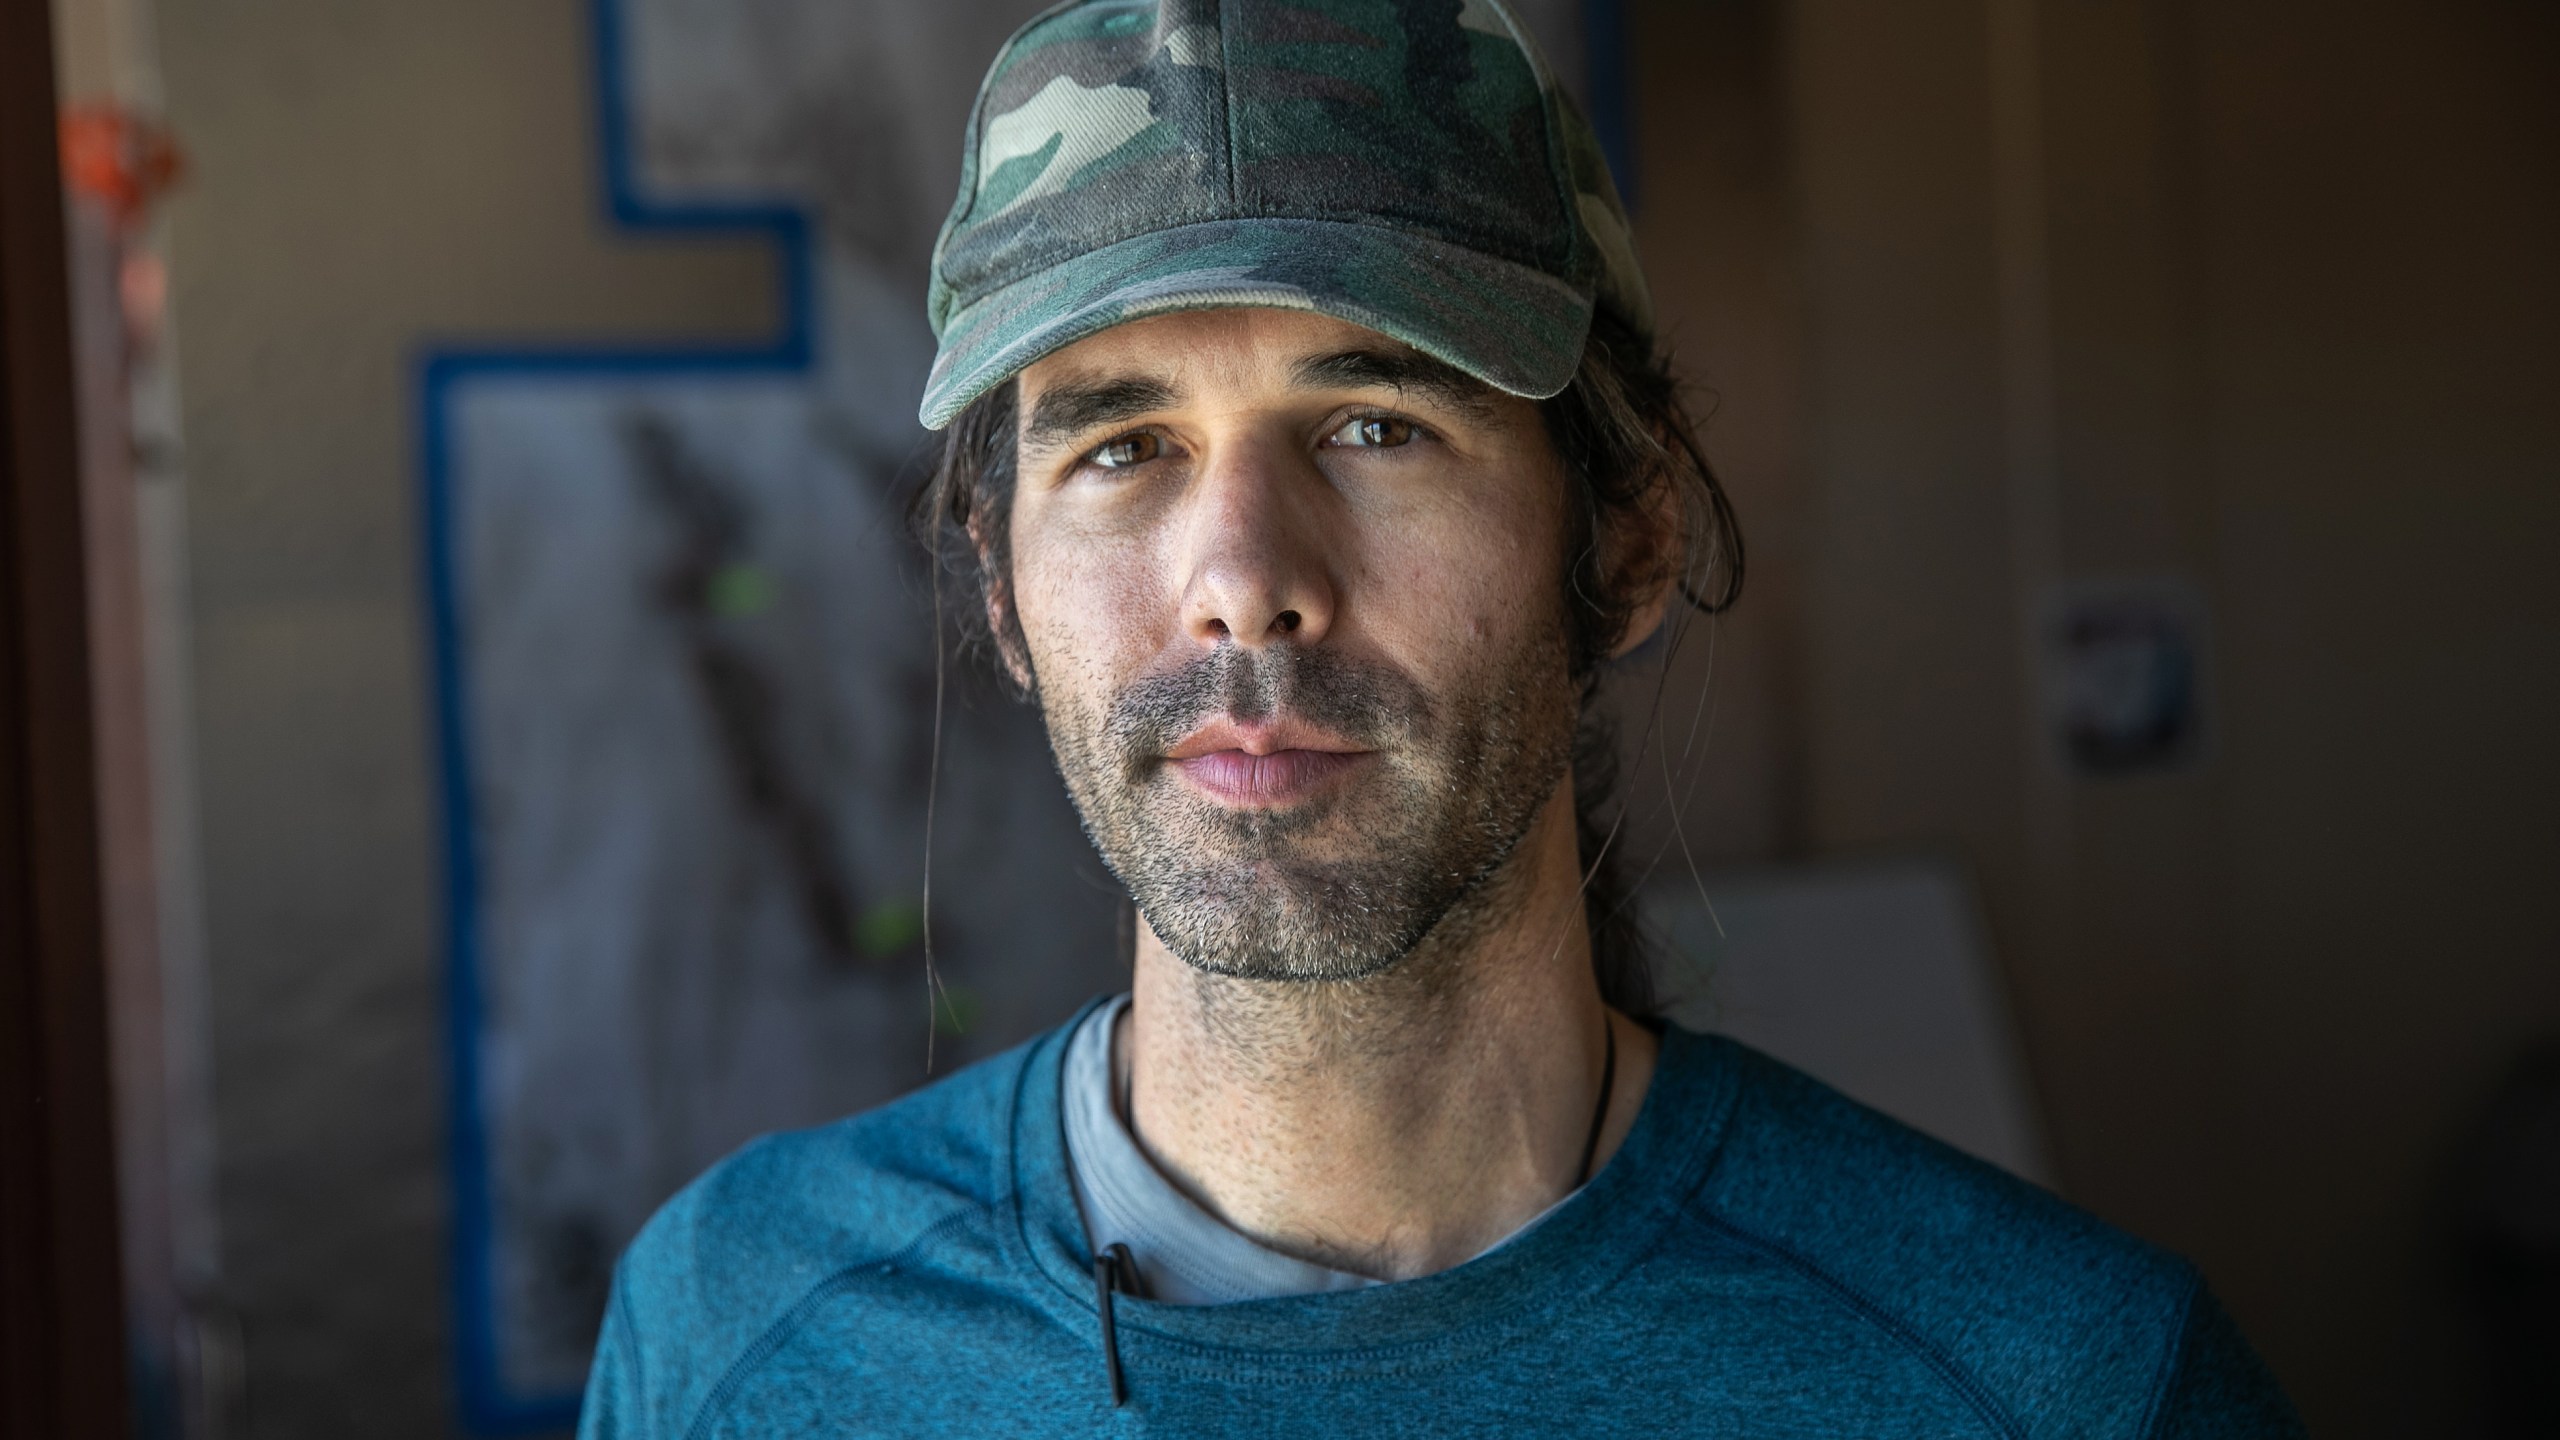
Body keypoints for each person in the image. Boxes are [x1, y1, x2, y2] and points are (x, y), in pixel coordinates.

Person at [580, 0, 2304, 1433]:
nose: (1243, 577)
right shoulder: (735, 1332)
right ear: (1000, 592)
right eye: (1121, 447)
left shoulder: (2054, 1383)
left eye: (1377, 424)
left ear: (1625, 545)